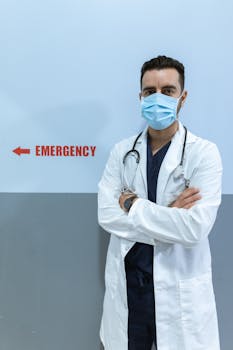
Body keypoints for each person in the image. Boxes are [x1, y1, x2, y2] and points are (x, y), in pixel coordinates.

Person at [97, 55, 223, 350]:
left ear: (183, 97)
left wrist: (132, 205)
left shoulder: (203, 153)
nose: (157, 98)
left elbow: (194, 229)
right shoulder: (121, 152)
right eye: (149, 91)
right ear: (139, 96)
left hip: (180, 296)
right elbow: (106, 214)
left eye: (167, 91)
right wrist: (169, 216)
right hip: (130, 293)